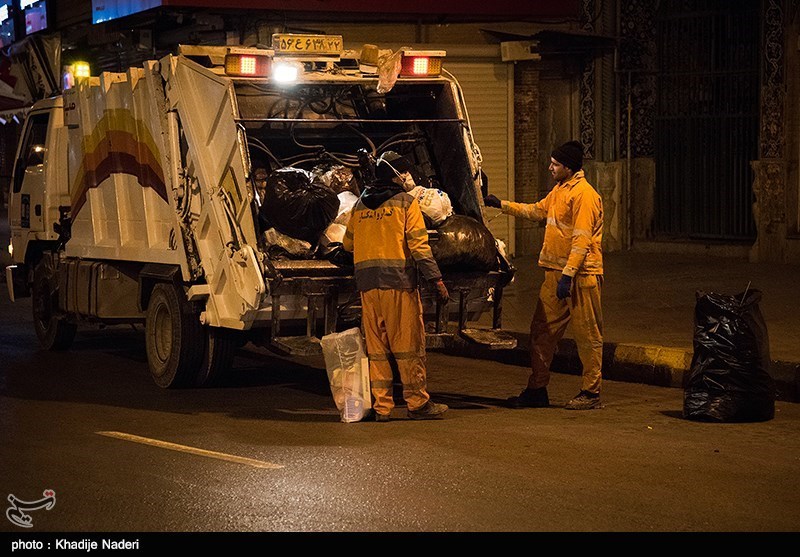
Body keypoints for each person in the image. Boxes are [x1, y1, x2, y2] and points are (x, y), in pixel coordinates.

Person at [484, 140, 604, 410]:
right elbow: (537, 210)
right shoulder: (560, 190)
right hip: (556, 276)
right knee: (541, 332)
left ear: (569, 167)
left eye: (555, 164)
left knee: (587, 336)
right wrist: (500, 204)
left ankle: (591, 393)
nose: (550, 167)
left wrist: (569, 275)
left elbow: (582, 240)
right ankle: (537, 389)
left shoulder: (584, 195)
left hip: (581, 277)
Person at [343, 151, 450, 422]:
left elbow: (347, 245)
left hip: (367, 287)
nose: (406, 177)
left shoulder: (360, 206)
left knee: (377, 350)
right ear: (395, 175)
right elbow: (419, 246)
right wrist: (436, 279)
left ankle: (382, 408)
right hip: (398, 284)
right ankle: (417, 403)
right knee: (407, 346)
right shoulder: (405, 203)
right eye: (403, 173)